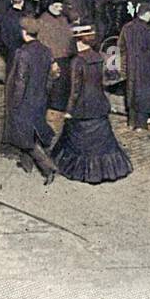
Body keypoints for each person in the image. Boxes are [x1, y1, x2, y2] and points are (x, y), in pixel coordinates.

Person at [52, 24, 132, 184]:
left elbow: (75, 89)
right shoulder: (99, 56)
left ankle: (78, 169)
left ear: (78, 41)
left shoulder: (77, 61)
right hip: (99, 102)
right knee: (104, 139)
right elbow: (110, 77)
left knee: (74, 137)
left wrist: (69, 110)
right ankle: (108, 170)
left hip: (82, 105)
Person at [2, 17, 58, 184]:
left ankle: (48, 168)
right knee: (29, 132)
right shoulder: (46, 50)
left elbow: (20, 81)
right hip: (40, 98)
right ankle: (26, 164)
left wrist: (14, 104)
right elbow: (50, 77)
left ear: (24, 32)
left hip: (25, 100)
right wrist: (45, 93)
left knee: (24, 137)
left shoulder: (23, 53)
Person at [120, 1, 150, 130]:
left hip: (131, 66)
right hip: (146, 67)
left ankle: (132, 122)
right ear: (148, 13)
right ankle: (141, 125)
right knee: (144, 95)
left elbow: (120, 46)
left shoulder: (127, 27)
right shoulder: (147, 30)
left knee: (132, 93)